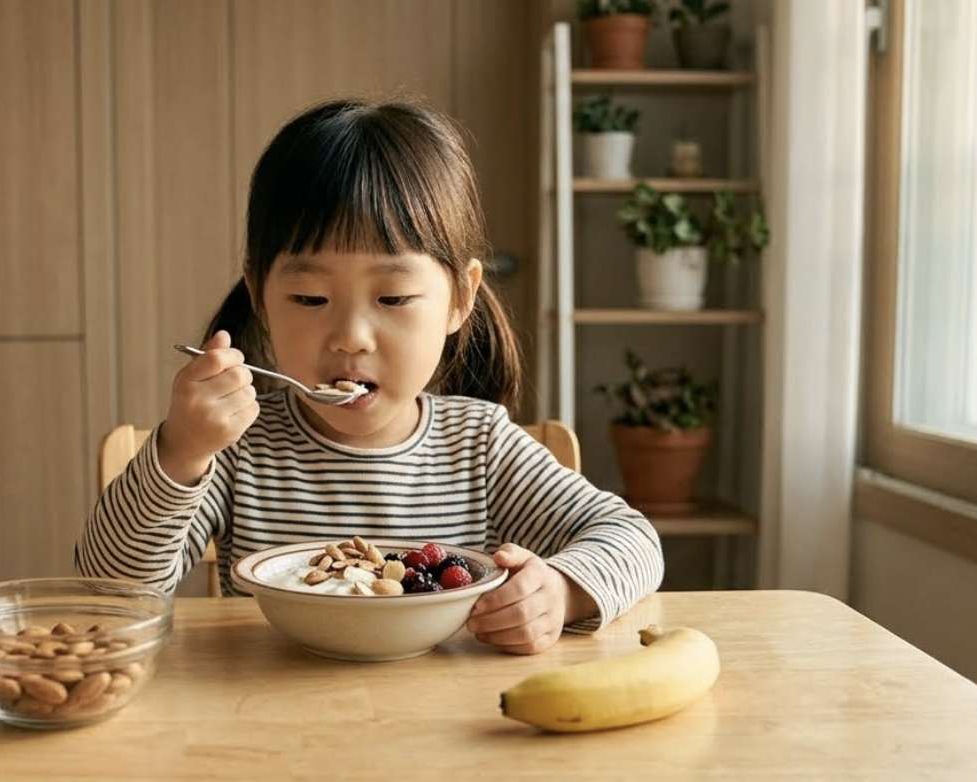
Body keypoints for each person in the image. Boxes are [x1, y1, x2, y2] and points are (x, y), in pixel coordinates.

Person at [76, 98, 663, 655]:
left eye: (393, 296)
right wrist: (181, 452)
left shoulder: (480, 446)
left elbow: (634, 540)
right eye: (309, 297)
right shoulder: (239, 450)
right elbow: (108, 592)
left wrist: (559, 591)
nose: (351, 335)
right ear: (259, 295)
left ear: (460, 299)